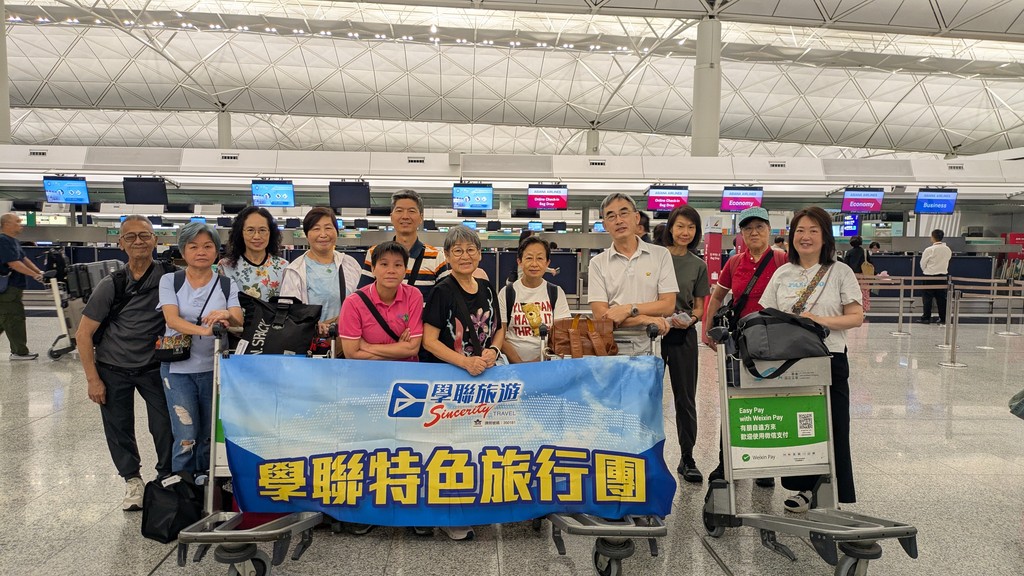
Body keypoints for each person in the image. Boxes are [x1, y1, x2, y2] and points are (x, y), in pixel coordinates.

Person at [760, 206, 863, 513]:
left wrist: (819, 320)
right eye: (800, 231)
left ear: (825, 237)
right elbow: (767, 314)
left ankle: (832, 490)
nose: (805, 237)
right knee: (800, 424)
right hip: (791, 361)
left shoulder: (840, 272)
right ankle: (804, 489)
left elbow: (856, 317)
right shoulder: (782, 273)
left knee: (834, 424)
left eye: (813, 231)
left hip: (829, 358)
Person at [75, 215, 174, 511]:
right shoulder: (112, 284)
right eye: (130, 237)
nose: (138, 241)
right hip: (113, 366)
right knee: (118, 428)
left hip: (154, 366)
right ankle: (132, 480)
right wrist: (93, 379)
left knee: (165, 425)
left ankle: (166, 478)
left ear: (156, 240)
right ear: (120, 244)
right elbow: (83, 334)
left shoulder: (171, 277)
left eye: (144, 235)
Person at [421, 225, 506, 541]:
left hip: (480, 379)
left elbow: (498, 328)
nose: (465, 256)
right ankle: (450, 515)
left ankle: (471, 505)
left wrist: (493, 350)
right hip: (449, 381)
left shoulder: (486, 287)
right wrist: (466, 362)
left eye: (471, 250)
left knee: (476, 446)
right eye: (457, 251)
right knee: (449, 448)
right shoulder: (442, 291)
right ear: (447, 256)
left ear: (480, 254)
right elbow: (429, 341)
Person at [705, 206, 787, 487]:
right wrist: (708, 329)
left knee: (769, 400)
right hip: (739, 342)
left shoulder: (782, 259)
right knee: (733, 399)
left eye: (759, 227)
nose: (754, 233)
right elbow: (718, 296)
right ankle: (726, 462)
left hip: (774, 341)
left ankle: (764, 466)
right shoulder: (734, 262)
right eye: (748, 228)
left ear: (769, 230)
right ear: (741, 233)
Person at [158, 223, 243, 474]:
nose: (201, 252)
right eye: (193, 247)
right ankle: (182, 486)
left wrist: (226, 314)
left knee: (208, 434)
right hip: (177, 369)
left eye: (208, 246)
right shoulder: (170, 280)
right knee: (186, 435)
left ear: (216, 251)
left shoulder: (226, 284)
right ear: (183, 251)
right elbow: (172, 319)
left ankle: (205, 484)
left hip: (214, 369)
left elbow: (238, 319)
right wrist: (205, 331)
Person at [587, 193, 677, 356]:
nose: (618, 220)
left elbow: (668, 305)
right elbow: (601, 316)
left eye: (624, 213)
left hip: (650, 346)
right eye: (611, 216)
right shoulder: (597, 263)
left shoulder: (661, 255)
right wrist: (643, 318)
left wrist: (628, 309)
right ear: (605, 225)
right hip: (610, 349)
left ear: (636, 218)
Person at [660, 205, 710, 483]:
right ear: (670, 227)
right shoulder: (656, 258)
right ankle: (646, 455)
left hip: (683, 334)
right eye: (680, 226)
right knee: (647, 394)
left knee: (686, 397)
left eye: (691, 227)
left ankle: (687, 457)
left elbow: (700, 307)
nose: (685, 232)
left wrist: (691, 319)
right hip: (653, 332)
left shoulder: (698, 265)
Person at [281, 207, 361, 337]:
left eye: (328, 228)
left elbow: (363, 302)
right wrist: (313, 325)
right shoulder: (295, 270)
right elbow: (288, 314)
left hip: (348, 339)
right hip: (311, 340)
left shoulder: (350, 263)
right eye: (316, 229)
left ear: (336, 232)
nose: (323, 234)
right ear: (307, 235)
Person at [339, 241, 423, 362]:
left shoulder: (413, 296)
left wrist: (367, 347)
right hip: (366, 370)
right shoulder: (353, 303)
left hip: (406, 369)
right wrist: (399, 351)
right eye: (384, 264)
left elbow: (413, 348)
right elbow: (352, 354)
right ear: (373, 269)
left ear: (405, 270)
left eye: (398, 265)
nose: (391, 270)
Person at [358, 190, 447, 300]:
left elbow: (444, 300)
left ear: (421, 218)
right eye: (399, 211)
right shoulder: (374, 253)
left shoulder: (437, 257)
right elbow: (363, 298)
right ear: (391, 217)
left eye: (411, 211)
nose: (405, 216)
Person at [498, 236, 570, 363]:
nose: (534, 264)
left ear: (547, 263)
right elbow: (500, 336)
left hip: (546, 364)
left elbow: (562, 336)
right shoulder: (506, 293)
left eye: (540, 258)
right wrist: (520, 364)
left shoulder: (556, 292)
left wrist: (538, 363)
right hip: (512, 366)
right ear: (520, 261)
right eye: (529, 258)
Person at [218, 206, 288, 301]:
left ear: (270, 233)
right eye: (250, 230)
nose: (257, 236)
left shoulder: (283, 267)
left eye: (262, 230)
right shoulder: (225, 266)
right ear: (241, 233)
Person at [0, 213, 44, 360]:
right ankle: (19, 352)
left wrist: (39, 272)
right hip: (8, 288)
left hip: (14, 287)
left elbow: (23, 259)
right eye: (17, 222)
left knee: (5, 318)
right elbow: (14, 263)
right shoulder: (3, 240)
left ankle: (18, 351)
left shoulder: (13, 241)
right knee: (14, 318)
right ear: (7, 224)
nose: (21, 224)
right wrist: (34, 275)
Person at [919, 229, 952, 325]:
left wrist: (926, 270)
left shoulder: (929, 249)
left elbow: (923, 263)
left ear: (933, 237)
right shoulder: (947, 249)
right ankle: (943, 318)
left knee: (927, 298)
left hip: (929, 276)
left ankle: (926, 318)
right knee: (941, 299)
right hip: (942, 276)